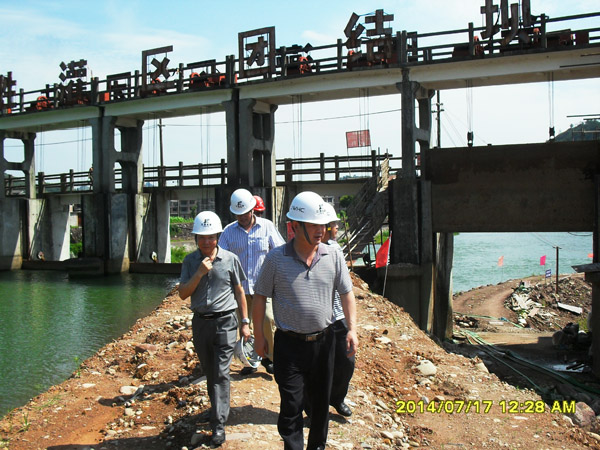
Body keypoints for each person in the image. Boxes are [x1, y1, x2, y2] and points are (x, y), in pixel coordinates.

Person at [252, 191, 358, 450]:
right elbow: (260, 297)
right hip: (289, 345)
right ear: (295, 226)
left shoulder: (333, 256)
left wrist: (352, 329)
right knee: (291, 405)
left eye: (323, 225)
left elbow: (347, 293)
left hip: (324, 343)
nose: (321, 230)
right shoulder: (276, 259)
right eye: (313, 225)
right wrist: (259, 336)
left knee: (320, 405)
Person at [178, 211, 251, 448]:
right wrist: (199, 273)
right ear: (196, 238)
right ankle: (217, 409)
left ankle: (218, 424)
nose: (207, 242)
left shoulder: (230, 259)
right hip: (201, 323)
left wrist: (245, 322)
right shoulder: (190, 262)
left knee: (221, 372)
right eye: (202, 237)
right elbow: (182, 293)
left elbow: (239, 291)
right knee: (210, 371)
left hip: (226, 322)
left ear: (218, 237)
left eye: (211, 237)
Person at [219, 188, 285, 375]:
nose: (242, 217)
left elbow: (280, 252)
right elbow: (220, 257)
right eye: (238, 214)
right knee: (244, 325)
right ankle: (250, 361)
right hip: (239, 289)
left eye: (245, 213)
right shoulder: (228, 232)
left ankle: (269, 358)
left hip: (263, 287)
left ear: (252, 209)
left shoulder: (267, 227)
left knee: (267, 320)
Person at [321, 202, 355, 417]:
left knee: (346, 362)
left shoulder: (336, 249)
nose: (337, 228)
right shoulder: (309, 250)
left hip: (338, 315)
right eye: (334, 224)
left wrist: (352, 326)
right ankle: (315, 406)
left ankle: (337, 398)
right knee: (320, 365)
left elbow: (345, 287)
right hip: (318, 319)